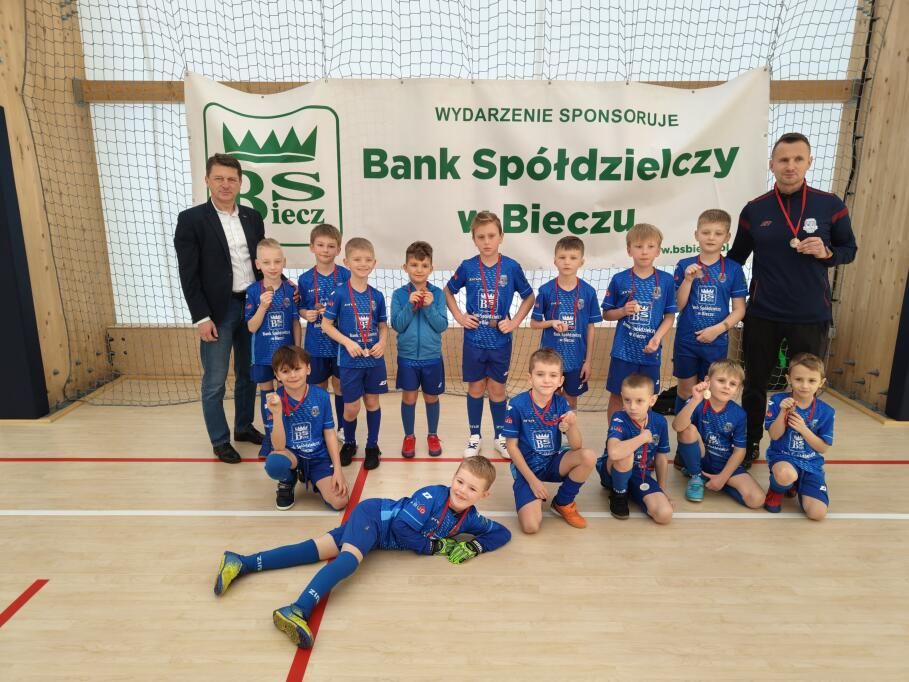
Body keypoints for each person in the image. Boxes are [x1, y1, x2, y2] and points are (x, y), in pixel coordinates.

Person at [212, 456, 511, 649]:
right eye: (459, 481)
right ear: (453, 477)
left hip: (374, 537)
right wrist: (434, 547)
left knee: (310, 550)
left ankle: (242, 562)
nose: (461, 490)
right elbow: (403, 529)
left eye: (472, 489)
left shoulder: (470, 519)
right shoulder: (432, 496)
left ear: (483, 496)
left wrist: (474, 546)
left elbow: (502, 532)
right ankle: (298, 609)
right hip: (373, 519)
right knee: (348, 562)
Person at [728, 132, 857, 466]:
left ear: (809, 162)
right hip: (763, 313)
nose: (790, 166)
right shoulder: (754, 209)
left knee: (805, 386)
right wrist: (705, 274)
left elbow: (849, 250)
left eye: (798, 159)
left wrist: (827, 252)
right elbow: (735, 259)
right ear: (771, 164)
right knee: (755, 385)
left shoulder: (830, 205)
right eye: (783, 160)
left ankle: (796, 449)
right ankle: (750, 443)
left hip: (811, 314)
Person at [174, 153, 265, 463]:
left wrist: (278, 288)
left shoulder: (253, 217)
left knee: (248, 374)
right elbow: (188, 275)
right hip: (217, 312)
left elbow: (261, 263)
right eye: (219, 179)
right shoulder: (191, 220)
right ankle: (220, 440)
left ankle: (243, 427)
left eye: (231, 179)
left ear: (240, 183)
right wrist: (201, 317)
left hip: (251, 307)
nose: (226, 184)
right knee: (214, 381)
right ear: (207, 181)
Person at [445, 211, 535, 458]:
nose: (487, 241)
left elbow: (529, 296)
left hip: (500, 341)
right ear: (474, 239)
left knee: (497, 390)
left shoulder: (511, 267)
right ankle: (474, 436)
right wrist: (460, 317)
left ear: (501, 237)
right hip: (474, 341)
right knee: (475, 388)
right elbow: (448, 291)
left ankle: (500, 437)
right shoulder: (467, 266)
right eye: (481, 237)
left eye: (491, 236)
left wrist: (514, 322)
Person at [502, 348, 596, 532]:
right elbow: (511, 447)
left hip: (552, 463)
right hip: (527, 468)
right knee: (531, 526)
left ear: (560, 380)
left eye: (553, 375)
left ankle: (563, 502)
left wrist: (572, 425)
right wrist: (533, 481)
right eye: (540, 374)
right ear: (530, 378)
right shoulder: (517, 405)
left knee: (588, 456)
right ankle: (530, 490)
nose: (546, 380)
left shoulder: (561, 404)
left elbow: (577, 446)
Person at [320, 237, 388, 470]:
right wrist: (347, 342)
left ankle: (372, 446)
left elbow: (383, 326)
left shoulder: (377, 296)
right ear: (347, 262)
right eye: (357, 259)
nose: (363, 264)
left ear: (374, 263)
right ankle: (349, 443)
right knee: (351, 407)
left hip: (374, 360)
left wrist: (382, 343)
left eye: (368, 260)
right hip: (350, 361)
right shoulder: (339, 294)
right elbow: (326, 325)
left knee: (372, 402)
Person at [672, 209, 747, 415]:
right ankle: (683, 434)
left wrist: (718, 329)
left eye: (718, 233)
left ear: (727, 237)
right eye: (706, 232)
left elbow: (740, 309)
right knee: (685, 391)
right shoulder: (684, 265)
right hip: (687, 340)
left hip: (716, 342)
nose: (711, 237)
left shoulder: (733, 269)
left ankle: (705, 432)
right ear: (696, 234)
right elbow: (678, 305)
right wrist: (688, 280)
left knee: (711, 392)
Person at [601, 223, 677, 422]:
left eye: (650, 246)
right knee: (618, 396)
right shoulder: (620, 279)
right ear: (629, 250)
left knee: (647, 399)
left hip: (650, 353)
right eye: (638, 246)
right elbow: (606, 314)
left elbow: (670, 316)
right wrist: (622, 311)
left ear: (658, 250)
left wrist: (657, 338)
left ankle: (643, 437)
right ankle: (614, 436)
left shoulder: (666, 281)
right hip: (623, 352)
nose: (644, 252)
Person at [262, 346, 349, 511]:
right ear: (277, 375)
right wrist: (277, 413)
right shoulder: (274, 400)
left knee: (340, 501)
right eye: (285, 371)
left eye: (297, 368)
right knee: (275, 463)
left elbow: (330, 433)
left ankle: (312, 476)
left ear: (308, 369)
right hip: (291, 454)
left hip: (317, 456)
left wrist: (338, 470)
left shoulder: (321, 396)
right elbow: (278, 447)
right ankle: (288, 480)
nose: (293, 375)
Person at [671, 360, 764, 507]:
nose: (727, 386)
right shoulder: (697, 402)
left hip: (723, 463)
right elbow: (677, 426)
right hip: (701, 455)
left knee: (756, 500)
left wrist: (723, 478)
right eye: (721, 381)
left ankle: (714, 479)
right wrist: (695, 400)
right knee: (688, 429)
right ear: (708, 381)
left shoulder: (739, 414)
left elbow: (739, 451)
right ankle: (696, 475)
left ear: (738, 389)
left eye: (733, 384)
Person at [529, 236, 603, 410]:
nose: (567, 262)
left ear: (581, 262)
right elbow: (534, 323)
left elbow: (590, 328)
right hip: (550, 360)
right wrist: (551, 322)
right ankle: (550, 427)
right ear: (555, 261)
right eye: (562, 257)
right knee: (549, 399)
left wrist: (588, 361)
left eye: (573, 258)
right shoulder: (546, 290)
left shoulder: (589, 292)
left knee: (570, 402)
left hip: (576, 360)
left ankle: (567, 428)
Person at [390, 241, 449, 458]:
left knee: (431, 398)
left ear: (431, 268)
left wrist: (429, 306)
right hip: (407, 358)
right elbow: (397, 325)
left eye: (424, 265)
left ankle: (432, 435)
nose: (419, 270)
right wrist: (409, 305)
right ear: (405, 267)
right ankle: (409, 436)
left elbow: (441, 325)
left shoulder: (438, 295)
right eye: (414, 265)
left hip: (431, 357)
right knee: (409, 398)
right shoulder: (399, 295)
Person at [245, 239, 301, 459]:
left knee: (286, 395)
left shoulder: (291, 290)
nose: (272, 266)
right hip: (262, 356)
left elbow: (295, 322)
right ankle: (270, 437)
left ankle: (288, 438)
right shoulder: (253, 291)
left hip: (285, 356)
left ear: (284, 262)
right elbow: (251, 327)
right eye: (267, 262)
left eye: (277, 261)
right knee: (268, 396)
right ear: (258, 264)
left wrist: (297, 351)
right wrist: (262, 306)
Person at [762, 353, 834, 520]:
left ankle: (796, 485)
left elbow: (823, 448)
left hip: (811, 464)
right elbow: (774, 435)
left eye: (812, 380)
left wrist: (803, 429)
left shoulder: (827, 411)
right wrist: (783, 413)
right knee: (786, 474)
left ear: (821, 382)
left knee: (817, 514)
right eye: (798, 379)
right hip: (783, 458)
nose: (804, 386)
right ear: (789, 379)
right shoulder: (777, 400)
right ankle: (777, 490)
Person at [596, 373, 673, 523]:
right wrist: (642, 438)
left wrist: (661, 489)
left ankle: (632, 489)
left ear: (652, 400)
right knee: (626, 454)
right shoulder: (619, 417)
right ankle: (619, 495)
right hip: (611, 472)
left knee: (664, 514)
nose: (632, 407)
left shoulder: (660, 422)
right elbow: (614, 452)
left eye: (639, 401)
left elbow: (661, 457)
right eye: (627, 400)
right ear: (622, 397)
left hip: (640, 473)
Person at [297, 223, 350, 435]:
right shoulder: (305, 279)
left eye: (331, 246)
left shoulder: (346, 276)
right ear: (312, 247)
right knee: (318, 389)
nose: (325, 250)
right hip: (315, 345)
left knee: (340, 386)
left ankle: (343, 429)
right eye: (320, 245)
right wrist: (306, 314)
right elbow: (300, 307)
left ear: (338, 250)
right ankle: (320, 429)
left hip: (340, 344)